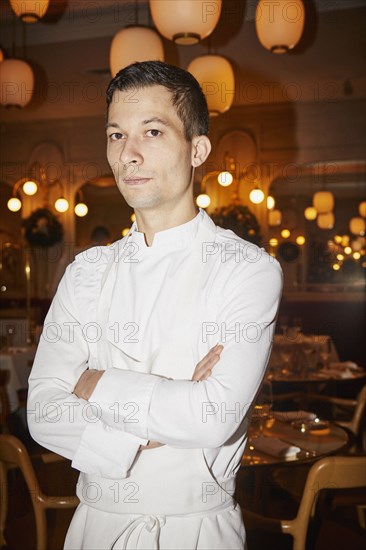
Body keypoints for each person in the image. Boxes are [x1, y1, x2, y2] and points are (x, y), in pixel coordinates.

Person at [27, 61, 282, 549]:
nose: (129, 154)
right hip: (95, 526)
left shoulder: (247, 268)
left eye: (152, 131)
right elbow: (42, 412)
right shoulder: (86, 272)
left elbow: (213, 417)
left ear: (197, 149)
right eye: (116, 135)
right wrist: (165, 413)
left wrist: (94, 384)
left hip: (199, 530)